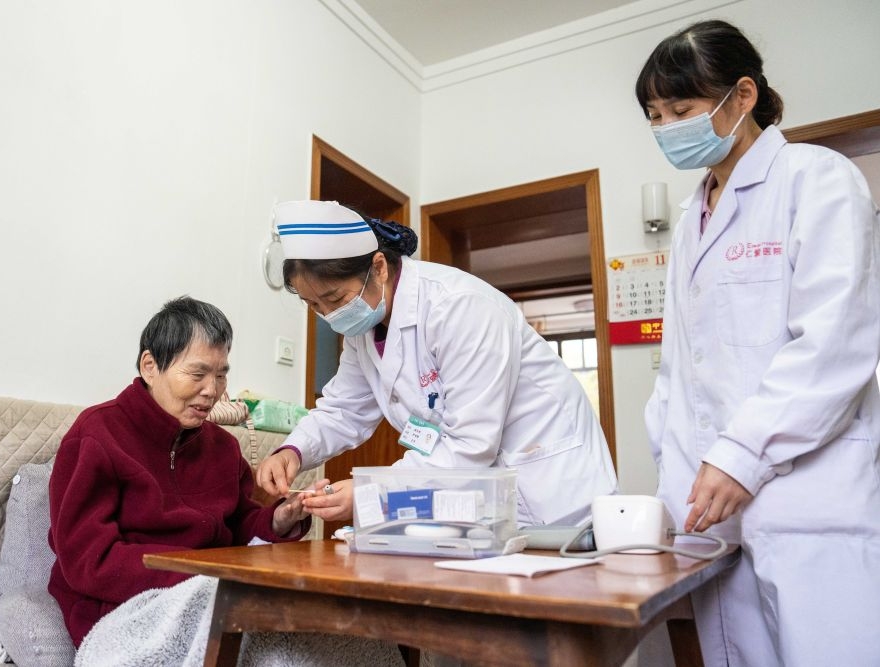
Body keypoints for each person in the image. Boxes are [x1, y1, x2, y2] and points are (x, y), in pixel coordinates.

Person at [638, 19, 880, 667]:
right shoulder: (692, 218)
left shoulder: (816, 178)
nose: (667, 128)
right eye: (655, 116)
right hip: (711, 510)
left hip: (807, 501)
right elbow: (682, 370)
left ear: (742, 95)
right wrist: (673, 478)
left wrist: (742, 454)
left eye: (681, 110)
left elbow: (834, 342)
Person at [256, 199, 618, 528]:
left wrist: (372, 490)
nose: (329, 314)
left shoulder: (461, 306)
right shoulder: (363, 331)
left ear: (378, 268)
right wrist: (293, 450)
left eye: (335, 298)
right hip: (484, 502)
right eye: (314, 305)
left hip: (553, 495)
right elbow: (343, 410)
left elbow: (471, 444)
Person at [47, 296, 314, 648]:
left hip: (211, 594)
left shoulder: (223, 447)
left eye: (221, 375)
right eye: (198, 374)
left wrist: (278, 520)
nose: (212, 391)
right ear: (150, 366)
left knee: (311, 627)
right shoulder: (97, 434)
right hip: (120, 606)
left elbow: (239, 525)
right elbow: (88, 561)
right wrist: (200, 576)